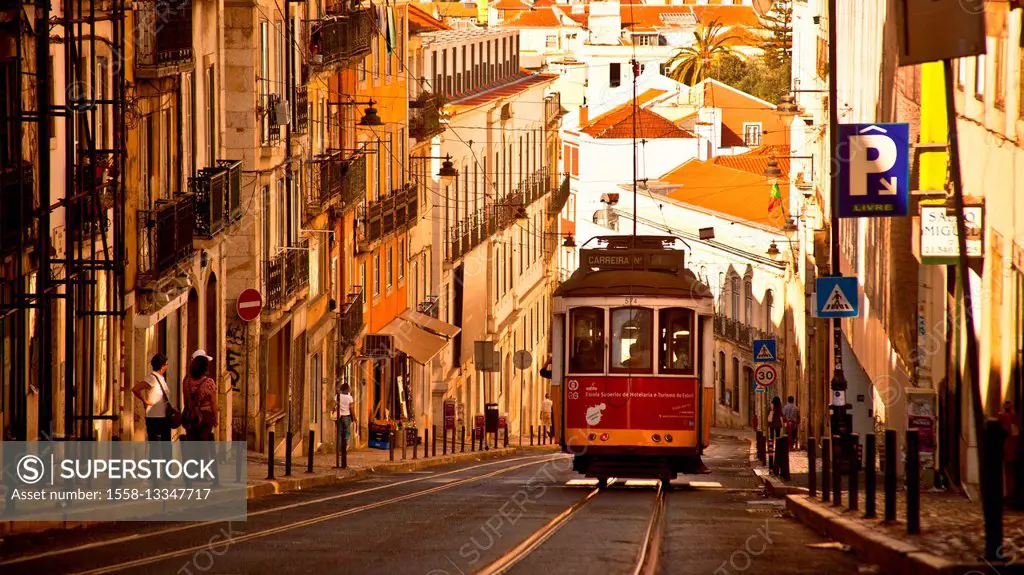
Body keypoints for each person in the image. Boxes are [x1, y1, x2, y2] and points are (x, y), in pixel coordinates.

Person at [182, 350, 219, 485]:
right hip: (205, 416)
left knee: (192, 445)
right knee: (204, 445)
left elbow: (185, 400)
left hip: (190, 416)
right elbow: (213, 402)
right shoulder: (209, 382)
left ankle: (191, 472)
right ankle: (202, 473)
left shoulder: (186, 381)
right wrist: (216, 418)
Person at [133, 353, 172, 442]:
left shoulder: (161, 378)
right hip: (154, 417)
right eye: (166, 364)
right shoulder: (152, 378)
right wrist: (145, 401)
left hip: (164, 417)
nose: (167, 367)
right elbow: (136, 389)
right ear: (162, 366)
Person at [998, 401, 1019, 500]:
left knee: (1009, 472)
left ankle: (1008, 494)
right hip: (1007, 449)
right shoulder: (1006, 417)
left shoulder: (1010, 417)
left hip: (1010, 449)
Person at [331, 383, 357, 451]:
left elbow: (333, 406)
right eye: (349, 388)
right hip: (347, 417)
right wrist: (354, 418)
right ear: (347, 389)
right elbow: (351, 409)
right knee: (347, 432)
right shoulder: (350, 397)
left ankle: (340, 450)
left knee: (339, 433)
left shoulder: (337, 396)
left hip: (339, 417)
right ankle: (344, 446)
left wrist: (334, 411)